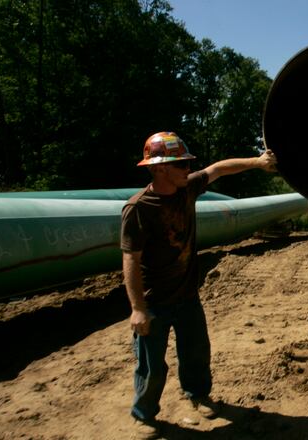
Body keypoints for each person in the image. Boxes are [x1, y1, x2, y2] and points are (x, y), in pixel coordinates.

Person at [120, 131, 277, 438]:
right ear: (160, 168)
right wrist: (137, 308)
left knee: (196, 354)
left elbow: (218, 169)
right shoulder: (139, 208)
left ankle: (198, 395)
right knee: (151, 367)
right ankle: (144, 414)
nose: (188, 169)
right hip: (154, 303)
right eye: (181, 164)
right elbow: (130, 260)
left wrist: (257, 162)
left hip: (187, 296)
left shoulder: (187, 189)